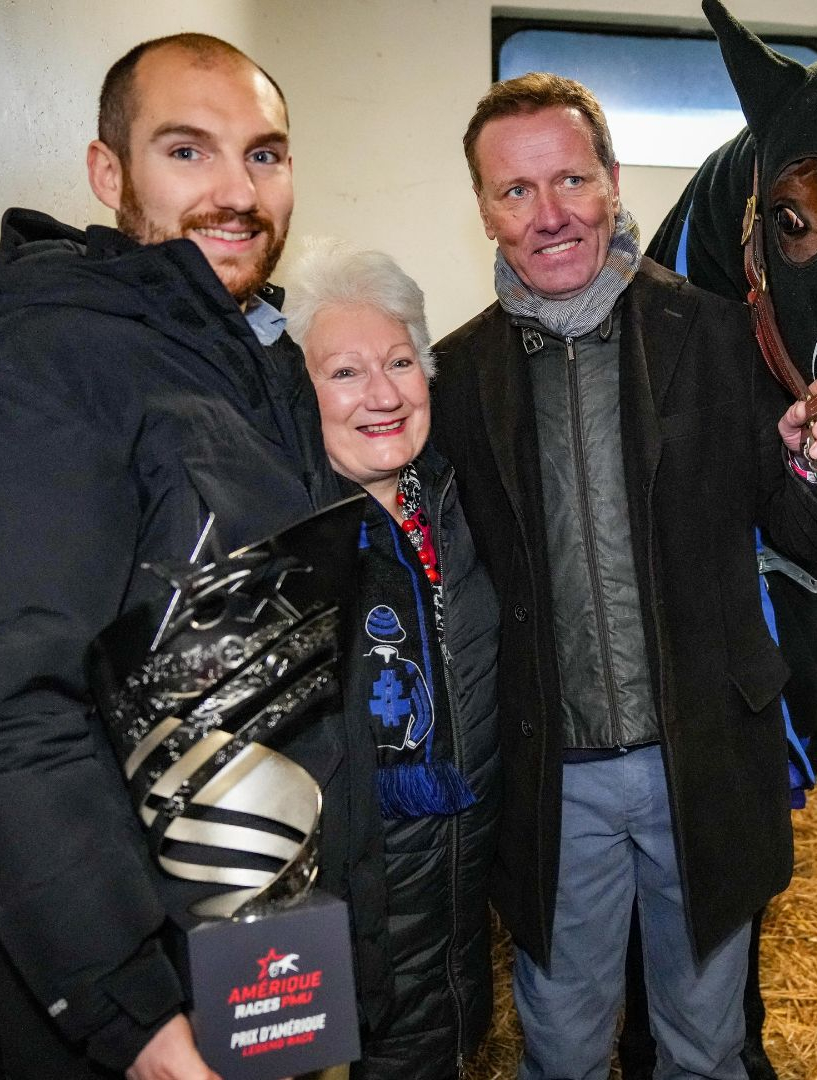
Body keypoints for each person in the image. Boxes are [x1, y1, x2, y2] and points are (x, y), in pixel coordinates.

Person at [0, 34, 339, 1079]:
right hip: (161, 1007)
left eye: (265, 154)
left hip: (271, 961)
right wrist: (137, 1023)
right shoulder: (45, 359)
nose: (238, 193)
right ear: (109, 173)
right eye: (187, 152)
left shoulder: (254, 363)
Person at [430, 72, 817, 1080]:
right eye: (516, 191)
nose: (549, 214)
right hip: (552, 782)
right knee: (562, 1051)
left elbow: (805, 534)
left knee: (705, 1050)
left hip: (703, 762)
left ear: (613, 180)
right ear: (484, 209)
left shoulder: (720, 337)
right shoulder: (455, 378)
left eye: (571, 180)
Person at [283, 243, 501, 1078]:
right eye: (345, 372)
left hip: (457, 908)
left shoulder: (458, 501)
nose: (382, 394)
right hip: (350, 939)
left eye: (400, 361)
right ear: (301, 391)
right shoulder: (285, 539)